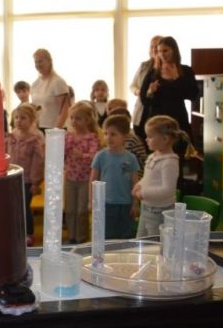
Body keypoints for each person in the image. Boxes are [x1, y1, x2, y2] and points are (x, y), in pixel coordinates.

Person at [133, 115, 188, 237]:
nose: (146, 139)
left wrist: (143, 193)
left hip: (159, 212)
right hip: (146, 207)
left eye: (150, 136)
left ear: (165, 139)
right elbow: (148, 178)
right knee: (141, 239)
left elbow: (168, 190)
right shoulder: (153, 156)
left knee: (155, 242)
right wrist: (139, 184)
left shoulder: (169, 162)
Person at [90, 114, 141, 239]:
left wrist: (135, 203)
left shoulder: (131, 158)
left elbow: (135, 182)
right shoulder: (100, 156)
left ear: (125, 136)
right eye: (106, 133)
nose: (108, 137)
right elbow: (93, 180)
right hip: (106, 203)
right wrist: (92, 201)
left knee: (125, 236)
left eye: (113, 134)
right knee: (106, 235)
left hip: (126, 204)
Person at [139, 36, 199, 135]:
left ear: (174, 51)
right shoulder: (153, 73)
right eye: (159, 51)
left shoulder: (185, 70)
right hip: (157, 121)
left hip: (178, 119)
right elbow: (144, 101)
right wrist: (150, 92)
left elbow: (193, 95)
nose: (162, 54)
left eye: (165, 51)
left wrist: (177, 78)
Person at [6, 103, 45, 246]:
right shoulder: (11, 136)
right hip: (11, 177)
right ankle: (15, 231)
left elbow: (38, 161)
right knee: (12, 206)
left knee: (24, 206)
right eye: (16, 117)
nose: (18, 121)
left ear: (32, 120)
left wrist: (35, 182)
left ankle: (29, 233)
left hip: (27, 179)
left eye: (23, 118)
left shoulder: (35, 138)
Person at [64, 101, 101, 244]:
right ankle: (71, 236)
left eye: (78, 118)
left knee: (81, 210)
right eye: (72, 118)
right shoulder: (69, 136)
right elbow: (63, 151)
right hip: (70, 178)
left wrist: (82, 156)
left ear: (87, 120)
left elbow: (94, 156)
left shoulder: (92, 137)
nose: (74, 121)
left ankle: (81, 238)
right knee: (70, 209)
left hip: (86, 179)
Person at [130, 35, 163, 140]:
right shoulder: (144, 65)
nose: (154, 49)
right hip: (141, 109)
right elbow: (132, 86)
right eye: (151, 46)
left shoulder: (167, 67)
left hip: (158, 110)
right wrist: (139, 92)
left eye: (156, 46)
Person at [31, 49, 70, 131]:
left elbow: (65, 108)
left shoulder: (58, 82)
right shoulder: (35, 84)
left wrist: (57, 129)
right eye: (36, 62)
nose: (38, 65)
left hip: (55, 127)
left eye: (40, 61)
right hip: (38, 127)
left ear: (49, 61)